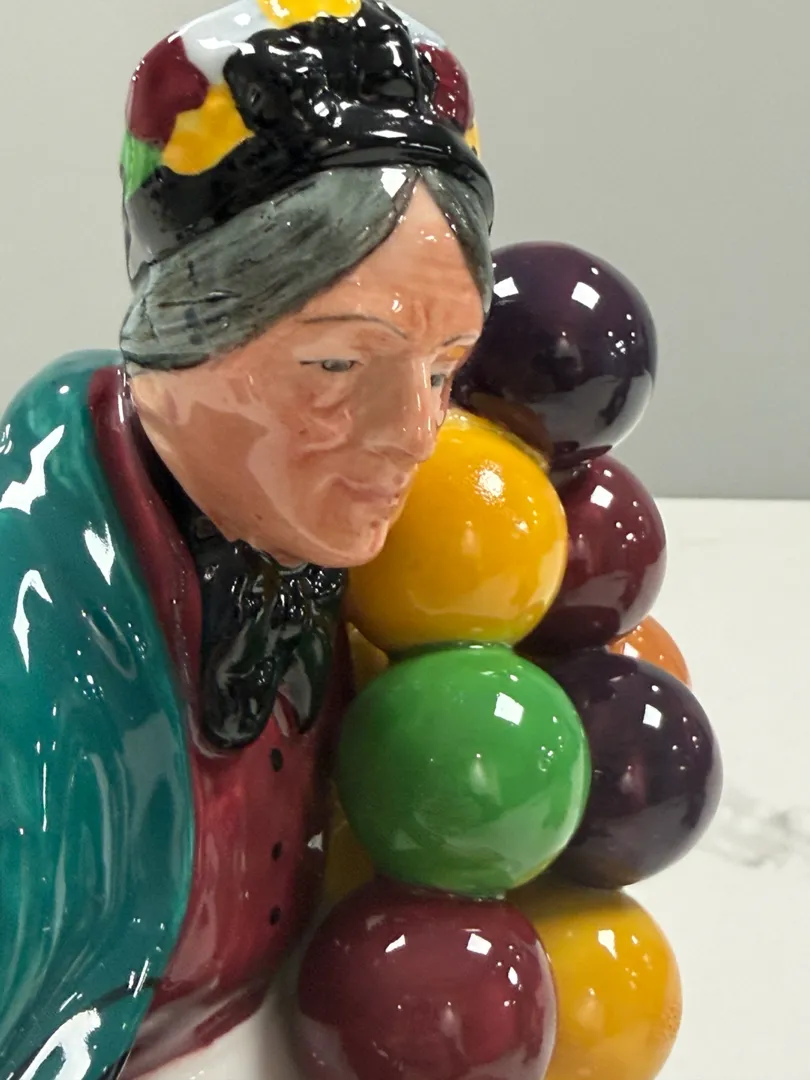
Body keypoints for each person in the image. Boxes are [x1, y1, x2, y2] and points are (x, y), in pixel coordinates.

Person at [0, 1, 493, 1077]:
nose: (415, 431)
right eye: (335, 365)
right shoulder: (26, 641)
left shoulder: (401, 551)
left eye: (444, 365)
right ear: (178, 345)